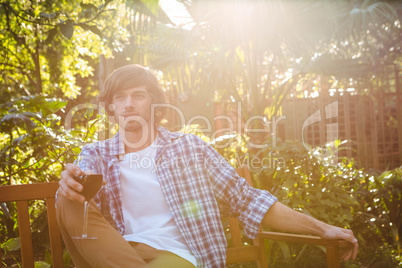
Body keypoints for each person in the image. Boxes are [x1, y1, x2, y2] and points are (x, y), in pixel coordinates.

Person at [57, 64, 358, 268]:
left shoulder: (190, 149)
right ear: (111, 106)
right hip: (119, 252)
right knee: (67, 196)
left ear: (154, 102)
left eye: (138, 95)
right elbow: (82, 210)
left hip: (174, 255)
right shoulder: (96, 153)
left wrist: (322, 228)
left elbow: (248, 200)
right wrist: (71, 181)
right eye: (120, 97)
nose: (128, 104)